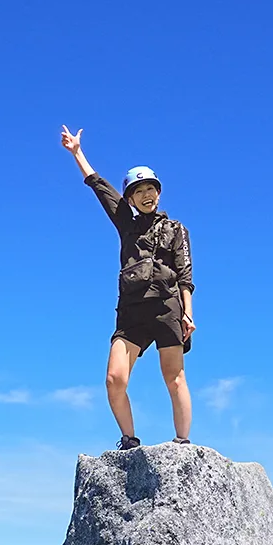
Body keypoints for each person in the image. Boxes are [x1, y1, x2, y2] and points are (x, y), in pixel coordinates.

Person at [60, 126, 195, 450]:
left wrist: (188, 314)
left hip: (166, 307)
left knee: (174, 377)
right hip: (132, 311)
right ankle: (129, 439)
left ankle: (183, 443)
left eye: (151, 188)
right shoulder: (127, 224)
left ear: (158, 192)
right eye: (139, 190)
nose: (147, 194)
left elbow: (185, 274)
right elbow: (100, 188)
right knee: (114, 379)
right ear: (131, 198)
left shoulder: (176, 229)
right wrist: (78, 153)